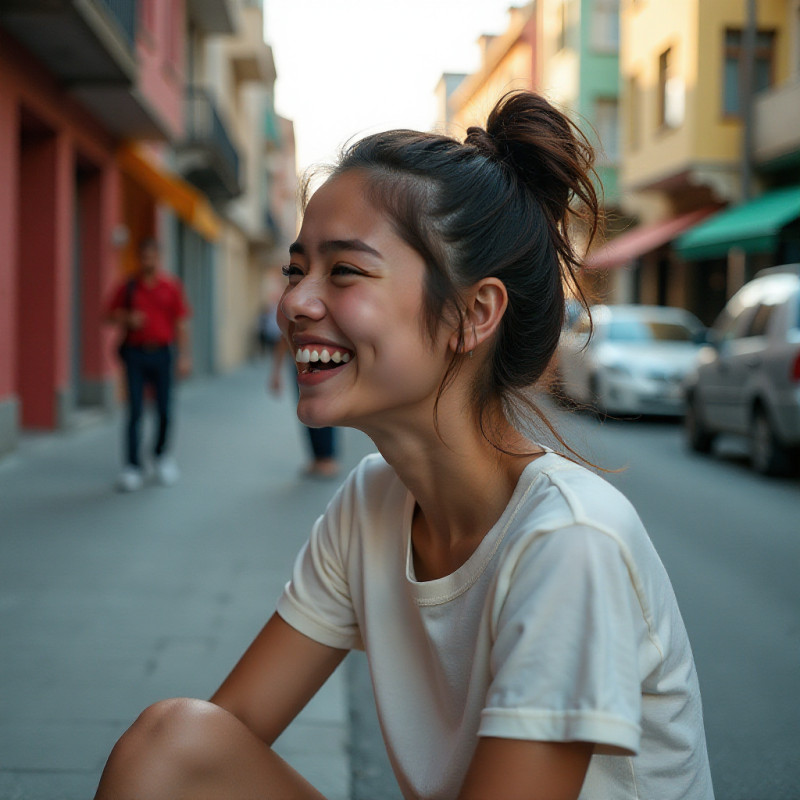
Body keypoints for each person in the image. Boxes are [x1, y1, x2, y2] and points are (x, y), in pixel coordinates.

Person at [94, 92, 714, 799]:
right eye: (297, 269)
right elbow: (221, 745)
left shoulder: (569, 542)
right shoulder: (371, 503)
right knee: (172, 744)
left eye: (345, 271)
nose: (294, 302)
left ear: (472, 314)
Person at [106, 237, 191, 492]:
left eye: (152, 257)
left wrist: (185, 356)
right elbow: (108, 315)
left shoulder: (171, 287)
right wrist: (127, 317)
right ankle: (132, 467)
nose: (148, 261)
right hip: (135, 354)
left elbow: (181, 323)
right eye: (144, 257)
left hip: (163, 354)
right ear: (139, 259)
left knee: (165, 409)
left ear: (159, 258)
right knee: (134, 411)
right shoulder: (128, 286)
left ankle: (161, 456)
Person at [270, 335, 340, 479]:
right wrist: (276, 372)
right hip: (300, 362)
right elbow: (284, 338)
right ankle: (319, 457)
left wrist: (276, 372)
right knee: (307, 411)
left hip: (318, 360)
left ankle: (327, 458)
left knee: (321, 407)